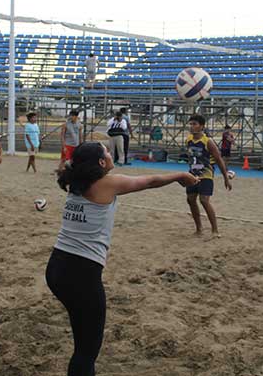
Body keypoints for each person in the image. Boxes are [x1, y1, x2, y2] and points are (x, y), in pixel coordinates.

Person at [46, 142, 198, 375]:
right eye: (106, 151)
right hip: (80, 274)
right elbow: (149, 181)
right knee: (86, 352)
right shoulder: (107, 183)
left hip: (57, 267)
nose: (110, 152)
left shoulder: (76, 181)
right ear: (100, 162)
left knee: (82, 335)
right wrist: (179, 175)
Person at [185, 114, 232, 238]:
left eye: (194, 124)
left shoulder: (208, 142)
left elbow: (219, 159)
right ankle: (199, 228)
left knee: (204, 200)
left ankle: (215, 230)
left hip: (206, 175)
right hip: (192, 174)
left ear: (201, 126)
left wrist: (226, 177)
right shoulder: (188, 139)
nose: (191, 126)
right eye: (190, 124)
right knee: (190, 200)